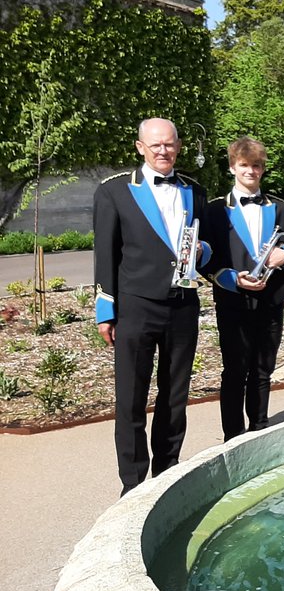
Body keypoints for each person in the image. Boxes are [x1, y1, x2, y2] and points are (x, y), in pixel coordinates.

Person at [93, 117, 211, 494]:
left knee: (175, 395)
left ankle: (166, 472)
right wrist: (105, 311)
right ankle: (132, 483)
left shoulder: (194, 189)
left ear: (178, 146)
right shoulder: (114, 191)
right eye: (155, 144)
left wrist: (202, 252)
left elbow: (207, 244)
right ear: (140, 147)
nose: (163, 150)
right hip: (135, 306)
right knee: (131, 396)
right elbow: (105, 255)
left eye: (170, 144)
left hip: (182, 304)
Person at [204, 138, 284, 441]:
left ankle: (259, 430)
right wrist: (233, 278)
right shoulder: (213, 211)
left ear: (263, 169)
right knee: (235, 371)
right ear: (233, 167)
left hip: (271, 299)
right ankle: (233, 438)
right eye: (245, 165)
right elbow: (207, 261)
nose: (251, 171)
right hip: (234, 299)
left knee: (264, 369)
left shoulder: (281, 208)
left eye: (257, 165)